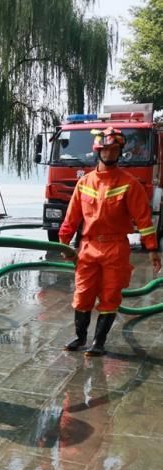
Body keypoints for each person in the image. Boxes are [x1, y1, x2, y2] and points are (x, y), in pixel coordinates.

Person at [60, 127, 160, 356]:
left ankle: (98, 343)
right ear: (98, 151)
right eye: (105, 149)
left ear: (119, 152)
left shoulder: (129, 183)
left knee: (110, 294)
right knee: (83, 293)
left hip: (116, 248)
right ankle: (80, 337)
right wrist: (63, 244)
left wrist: (152, 248)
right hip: (88, 247)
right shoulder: (84, 183)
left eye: (114, 149)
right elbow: (71, 217)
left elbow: (143, 219)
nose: (109, 153)